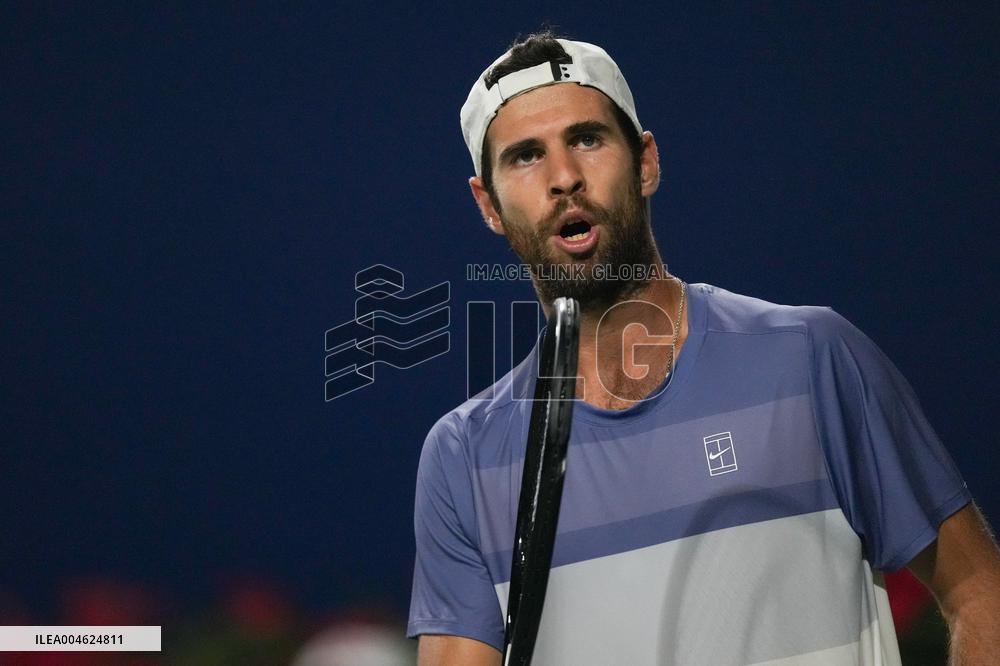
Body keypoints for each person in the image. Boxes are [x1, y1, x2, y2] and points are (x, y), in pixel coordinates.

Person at [407, 32, 1000, 665]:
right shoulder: (463, 458)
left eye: (587, 139)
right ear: (489, 205)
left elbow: (979, 593)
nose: (564, 178)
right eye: (526, 156)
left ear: (645, 162)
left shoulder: (811, 359)